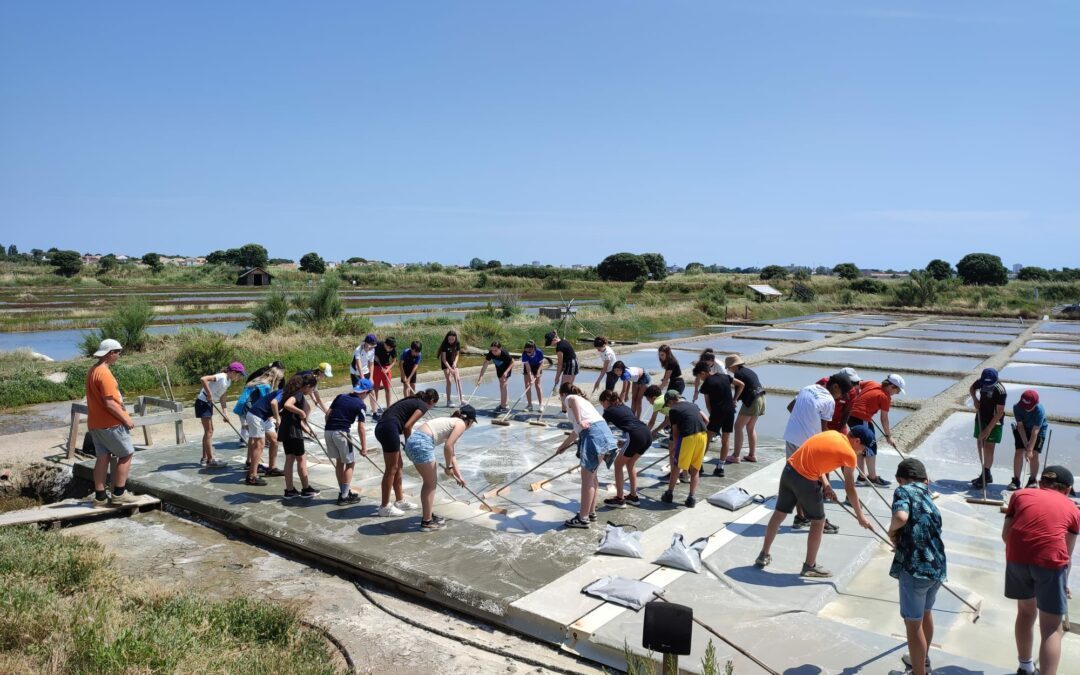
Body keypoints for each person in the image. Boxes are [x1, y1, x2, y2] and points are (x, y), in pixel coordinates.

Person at [755, 428, 874, 577]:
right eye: (863, 448)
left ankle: (763, 554)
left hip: (789, 470)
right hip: (805, 480)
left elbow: (815, 458)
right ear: (857, 441)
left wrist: (826, 485)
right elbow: (850, 489)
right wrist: (860, 516)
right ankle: (809, 566)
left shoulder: (832, 434)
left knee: (779, 514)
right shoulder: (850, 455)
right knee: (818, 521)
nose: (861, 452)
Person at [1002, 466, 1079, 675]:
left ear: (1041, 483)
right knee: (1051, 628)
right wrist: (1064, 584)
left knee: (1026, 613)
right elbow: (1066, 552)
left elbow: (1006, 535)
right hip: (1050, 565)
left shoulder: (1019, 495)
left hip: (1016, 560)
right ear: (1068, 489)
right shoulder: (1073, 509)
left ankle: (1025, 667)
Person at [888, 458, 946, 675]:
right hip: (937, 565)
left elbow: (901, 516)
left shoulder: (904, 491)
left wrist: (891, 531)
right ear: (926, 480)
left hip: (915, 568)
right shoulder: (929, 495)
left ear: (899, 479)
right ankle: (921, 659)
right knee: (926, 613)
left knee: (913, 625)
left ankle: (918, 671)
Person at [783, 373, 853, 529]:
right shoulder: (829, 400)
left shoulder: (808, 388)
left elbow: (790, 407)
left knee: (796, 479)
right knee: (813, 483)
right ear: (835, 387)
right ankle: (819, 519)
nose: (841, 397)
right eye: (841, 393)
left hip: (791, 436)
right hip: (807, 444)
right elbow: (824, 429)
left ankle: (801, 517)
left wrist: (803, 421)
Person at [404, 406, 477, 531]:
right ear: (469, 421)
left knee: (428, 484)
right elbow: (447, 447)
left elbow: (451, 452)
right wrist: (448, 467)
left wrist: (459, 476)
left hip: (412, 443)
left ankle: (428, 515)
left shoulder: (452, 421)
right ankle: (427, 522)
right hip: (422, 444)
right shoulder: (460, 424)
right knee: (430, 485)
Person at [555, 383, 616, 529]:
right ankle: (591, 512)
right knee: (592, 476)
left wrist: (578, 420)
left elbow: (574, 403)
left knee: (587, 479)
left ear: (563, 394)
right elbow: (576, 432)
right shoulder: (585, 403)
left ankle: (583, 518)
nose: (561, 400)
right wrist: (562, 447)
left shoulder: (571, 397)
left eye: (560, 397)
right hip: (604, 433)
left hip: (593, 435)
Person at [87, 339, 139, 507]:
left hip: (95, 423)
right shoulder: (105, 374)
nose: (119, 355)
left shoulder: (93, 370)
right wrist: (126, 418)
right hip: (111, 424)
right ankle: (119, 493)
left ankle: (100, 496)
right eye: (118, 352)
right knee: (126, 454)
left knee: (103, 457)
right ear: (111, 353)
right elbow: (109, 403)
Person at [374, 389, 438, 517]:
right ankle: (384, 507)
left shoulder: (415, 400)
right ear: (431, 401)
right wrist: (409, 445)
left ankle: (399, 500)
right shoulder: (423, 405)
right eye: (434, 405)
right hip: (389, 429)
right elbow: (408, 426)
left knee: (398, 466)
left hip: (384, 427)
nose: (431, 407)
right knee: (391, 469)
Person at [846, 373, 906, 487]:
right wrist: (889, 436)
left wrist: (861, 400)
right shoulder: (885, 397)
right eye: (897, 390)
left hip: (852, 416)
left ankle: (862, 477)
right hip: (861, 417)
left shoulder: (872, 383)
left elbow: (856, 386)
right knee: (871, 446)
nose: (897, 393)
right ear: (891, 386)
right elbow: (884, 419)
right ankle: (872, 479)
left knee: (860, 445)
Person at [598, 390, 652, 508]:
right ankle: (633, 496)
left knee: (618, 465)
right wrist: (626, 442)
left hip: (635, 435)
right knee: (630, 463)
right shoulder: (624, 406)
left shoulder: (608, 411)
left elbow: (600, 428)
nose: (603, 407)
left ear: (606, 401)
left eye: (602, 404)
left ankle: (620, 499)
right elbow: (630, 423)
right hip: (647, 434)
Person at [324, 379, 372, 505]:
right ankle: (344, 497)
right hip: (342, 434)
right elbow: (361, 427)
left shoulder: (340, 396)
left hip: (328, 431)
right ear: (365, 392)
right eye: (369, 393)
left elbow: (327, 414)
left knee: (339, 462)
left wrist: (331, 426)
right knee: (350, 463)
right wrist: (364, 448)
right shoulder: (360, 405)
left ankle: (343, 491)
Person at [660, 391, 709, 508]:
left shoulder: (674, 410)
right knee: (695, 468)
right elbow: (706, 420)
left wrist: (675, 447)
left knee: (677, 466)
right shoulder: (693, 405)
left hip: (688, 437)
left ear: (671, 401)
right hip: (702, 435)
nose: (668, 407)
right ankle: (691, 498)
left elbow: (676, 433)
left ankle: (669, 494)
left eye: (668, 405)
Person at [693, 362, 741, 477]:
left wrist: (712, 415)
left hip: (717, 413)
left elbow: (708, 404)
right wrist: (734, 399)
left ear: (703, 373)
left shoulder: (706, 384)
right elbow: (741, 384)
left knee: (706, 439)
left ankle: (698, 466)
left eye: (700, 376)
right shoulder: (725, 376)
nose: (700, 379)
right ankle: (720, 467)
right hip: (730, 412)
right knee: (725, 440)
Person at [194, 361, 246, 468]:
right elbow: (203, 379)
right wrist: (209, 393)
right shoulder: (222, 376)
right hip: (203, 402)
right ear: (232, 372)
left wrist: (225, 412)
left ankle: (205, 458)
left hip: (208, 404)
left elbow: (222, 397)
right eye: (239, 374)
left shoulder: (228, 381)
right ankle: (210, 460)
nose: (239, 377)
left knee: (208, 431)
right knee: (209, 431)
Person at [240, 366, 286, 485]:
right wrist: (277, 417)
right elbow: (273, 403)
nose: (280, 381)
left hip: (264, 416)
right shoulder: (266, 385)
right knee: (259, 445)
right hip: (256, 415)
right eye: (279, 379)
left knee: (274, 440)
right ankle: (252, 476)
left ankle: (272, 468)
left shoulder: (264, 383)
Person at [277, 374, 320, 499]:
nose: (311, 391)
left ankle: (289, 490)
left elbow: (293, 417)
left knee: (289, 459)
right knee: (301, 459)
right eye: (312, 389)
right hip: (293, 432)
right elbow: (288, 405)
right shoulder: (298, 394)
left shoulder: (291, 392)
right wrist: (301, 412)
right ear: (307, 386)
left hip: (286, 430)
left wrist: (307, 430)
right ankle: (306, 489)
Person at [967, 368, 1007, 489]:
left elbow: (1000, 412)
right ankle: (986, 473)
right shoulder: (981, 381)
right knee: (980, 442)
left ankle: (985, 473)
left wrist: (988, 429)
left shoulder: (1001, 391)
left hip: (995, 421)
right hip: (981, 416)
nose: (987, 386)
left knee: (989, 446)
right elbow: (972, 388)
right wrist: (975, 400)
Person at [725, 354, 765, 463]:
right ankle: (752, 455)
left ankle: (735, 456)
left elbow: (739, 389)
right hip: (761, 398)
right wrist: (736, 400)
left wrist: (734, 400)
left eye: (729, 368)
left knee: (738, 426)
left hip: (752, 400)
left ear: (733, 366)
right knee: (750, 427)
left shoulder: (738, 374)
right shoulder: (748, 371)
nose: (729, 370)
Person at [1010, 389, 1048, 491]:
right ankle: (1016, 480)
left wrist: (1030, 449)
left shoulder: (1040, 410)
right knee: (1018, 452)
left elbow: (1035, 431)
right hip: (1023, 429)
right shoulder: (1017, 407)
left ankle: (1032, 480)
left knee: (1034, 454)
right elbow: (1020, 427)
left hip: (1039, 431)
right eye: (1024, 406)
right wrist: (1026, 445)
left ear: (1036, 403)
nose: (1026, 409)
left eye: (1029, 407)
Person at [477, 341, 516, 412]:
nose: (494, 352)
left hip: (507, 368)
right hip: (499, 369)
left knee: (503, 384)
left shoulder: (504, 353)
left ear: (500, 348)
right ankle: (505, 403)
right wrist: (480, 378)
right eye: (492, 350)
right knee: (502, 385)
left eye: (495, 350)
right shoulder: (490, 354)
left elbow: (513, 362)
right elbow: (485, 365)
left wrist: (506, 371)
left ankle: (503, 406)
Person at [545, 330, 579, 411]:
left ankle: (564, 412)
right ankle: (570, 409)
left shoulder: (559, 348)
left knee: (563, 390)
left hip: (570, 365)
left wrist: (557, 377)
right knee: (569, 388)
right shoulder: (564, 341)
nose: (551, 344)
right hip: (574, 363)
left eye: (550, 342)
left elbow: (559, 364)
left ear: (554, 340)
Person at [828, 367, 862, 433]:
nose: (851, 385)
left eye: (854, 382)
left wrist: (839, 430)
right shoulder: (827, 384)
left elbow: (847, 412)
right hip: (822, 422)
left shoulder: (852, 392)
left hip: (838, 423)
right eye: (851, 382)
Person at [438, 330, 464, 406]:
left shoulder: (457, 343)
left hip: (453, 362)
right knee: (449, 380)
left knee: (458, 379)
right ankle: (448, 401)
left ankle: (461, 400)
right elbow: (443, 359)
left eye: (453, 339)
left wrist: (455, 364)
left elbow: (457, 355)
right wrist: (450, 369)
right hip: (445, 363)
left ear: (455, 338)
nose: (451, 341)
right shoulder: (444, 345)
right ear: (447, 338)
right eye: (449, 339)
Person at [519, 340, 546, 412]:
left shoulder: (539, 352)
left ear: (533, 349)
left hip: (538, 366)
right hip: (528, 366)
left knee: (538, 385)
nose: (527, 353)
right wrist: (531, 378)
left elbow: (542, 363)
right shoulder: (524, 354)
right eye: (526, 351)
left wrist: (538, 371)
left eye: (529, 352)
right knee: (527, 385)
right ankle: (529, 405)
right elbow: (528, 368)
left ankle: (541, 405)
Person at [372, 337, 398, 412]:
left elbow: (394, 361)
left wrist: (387, 369)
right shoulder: (377, 345)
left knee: (387, 388)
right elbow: (369, 353)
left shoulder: (392, 348)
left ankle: (388, 407)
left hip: (386, 367)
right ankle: (375, 409)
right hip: (376, 367)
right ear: (385, 344)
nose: (390, 349)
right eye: (389, 348)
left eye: (391, 348)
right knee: (376, 388)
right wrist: (374, 357)